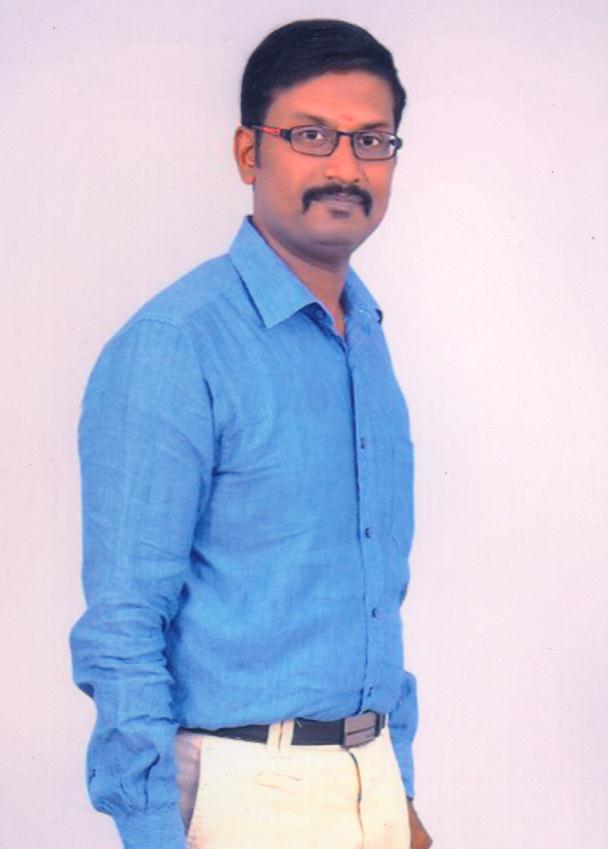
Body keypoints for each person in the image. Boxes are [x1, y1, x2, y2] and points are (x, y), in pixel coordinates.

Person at [70, 18, 432, 849]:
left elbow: (374, 595)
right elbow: (123, 624)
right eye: (311, 135)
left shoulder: (364, 338)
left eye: (371, 140)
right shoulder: (178, 344)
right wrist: (153, 834)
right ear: (249, 152)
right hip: (243, 800)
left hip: (373, 785)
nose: (346, 167)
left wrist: (399, 791)